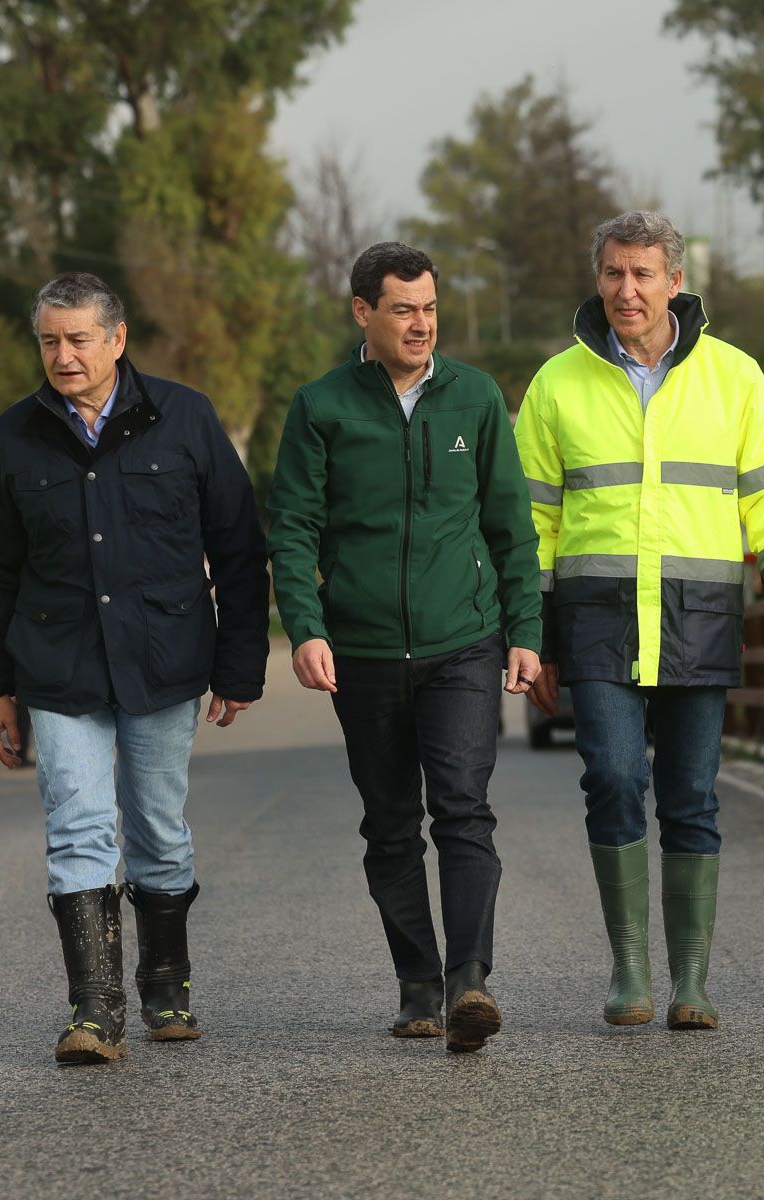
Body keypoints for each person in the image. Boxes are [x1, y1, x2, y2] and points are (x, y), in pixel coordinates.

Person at [516, 212, 764, 1032]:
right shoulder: (556, 385)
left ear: (675, 283)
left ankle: (691, 981)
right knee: (614, 779)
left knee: (691, 796)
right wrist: (532, 638)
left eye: (644, 274)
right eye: (614, 273)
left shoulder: (735, 378)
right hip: (596, 622)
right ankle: (630, 973)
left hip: (701, 618)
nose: (627, 290)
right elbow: (529, 524)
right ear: (598, 278)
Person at [0, 272, 268, 1064]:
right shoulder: (14, 436)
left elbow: (238, 548)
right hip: (58, 666)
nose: (62, 357)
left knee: (159, 827)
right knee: (77, 825)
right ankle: (93, 1009)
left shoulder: (186, 418)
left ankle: (166, 985)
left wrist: (239, 665)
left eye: (77, 339)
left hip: (164, 660)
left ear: (117, 339)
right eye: (48, 341)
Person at [267, 242, 540, 1053]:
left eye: (429, 308)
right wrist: (307, 627)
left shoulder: (477, 397)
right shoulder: (322, 407)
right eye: (402, 309)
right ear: (363, 313)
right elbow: (294, 530)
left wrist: (524, 630)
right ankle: (417, 983)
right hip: (365, 650)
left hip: (463, 640)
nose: (421, 324)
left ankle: (470, 983)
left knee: (464, 811)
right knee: (390, 825)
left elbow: (511, 528)